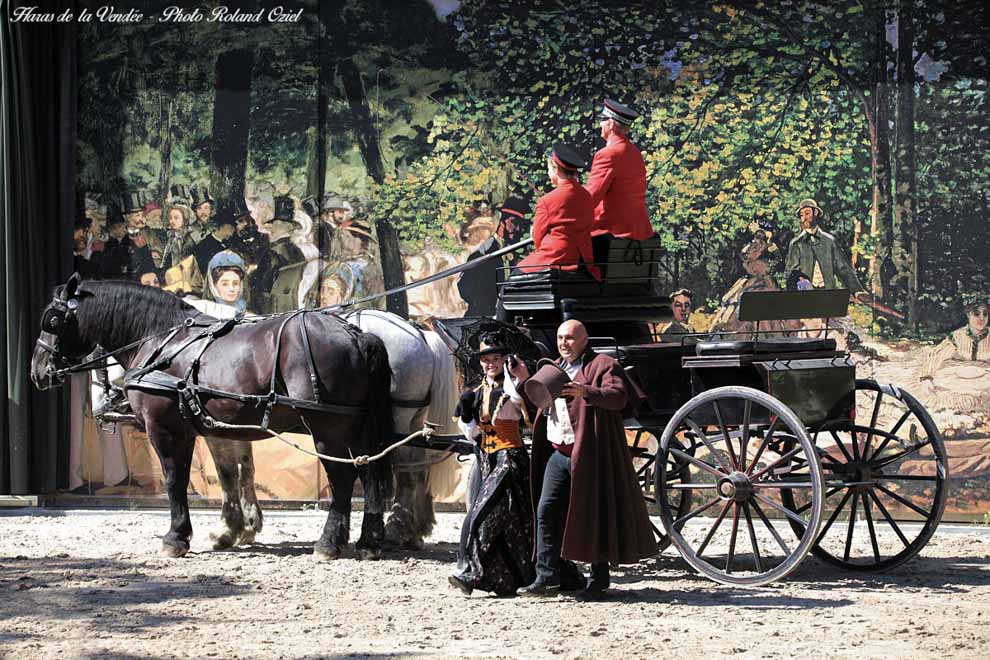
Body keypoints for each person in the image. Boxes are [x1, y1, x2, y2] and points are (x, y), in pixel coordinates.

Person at [512, 319, 657, 600]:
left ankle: (599, 580)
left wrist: (585, 392)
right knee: (546, 511)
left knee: (593, 513)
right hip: (558, 453)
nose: (564, 344)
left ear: (584, 340)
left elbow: (618, 397)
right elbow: (537, 403)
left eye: (570, 338)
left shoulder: (602, 365)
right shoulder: (553, 368)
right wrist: (521, 379)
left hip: (590, 454)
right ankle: (545, 577)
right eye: (560, 338)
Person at [448, 334, 535, 597]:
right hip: (486, 460)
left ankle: (471, 573)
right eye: (485, 360)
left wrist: (519, 378)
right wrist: (466, 414)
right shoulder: (476, 393)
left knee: (483, 514)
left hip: (509, 459)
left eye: (495, 359)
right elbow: (472, 435)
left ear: (504, 361)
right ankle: (508, 579)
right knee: (508, 522)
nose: (490, 364)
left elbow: (525, 414)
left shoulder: (512, 389)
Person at [514, 144, 599, 279]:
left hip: (555, 259)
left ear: (555, 169)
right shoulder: (587, 196)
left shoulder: (547, 200)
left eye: (548, 169)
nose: (548, 174)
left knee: (512, 278)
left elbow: (537, 239)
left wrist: (534, 231)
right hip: (582, 261)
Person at [585, 99, 653, 259]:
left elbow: (590, 199)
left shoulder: (608, 154)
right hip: (640, 233)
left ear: (611, 124)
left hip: (613, 234)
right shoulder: (635, 153)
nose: (600, 124)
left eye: (602, 120)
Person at [458, 196, 532, 317]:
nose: (518, 229)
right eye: (514, 222)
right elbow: (465, 288)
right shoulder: (484, 254)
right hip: (483, 317)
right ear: (502, 221)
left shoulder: (516, 253)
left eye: (522, 224)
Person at [785, 198, 867, 298]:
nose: (804, 218)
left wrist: (857, 291)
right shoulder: (796, 244)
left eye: (807, 213)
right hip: (805, 297)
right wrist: (802, 282)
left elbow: (843, 268)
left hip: (828, 294)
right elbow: (790, 272)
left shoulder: (830, 241)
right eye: (801, 215)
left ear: (815, 213)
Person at [920, 294, 990, 383]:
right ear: (968, 314)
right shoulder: (957, 336)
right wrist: (926, 377)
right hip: (958, 380)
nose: (982, 318)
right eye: (976, 314)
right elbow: (935, 356)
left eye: (985, 314)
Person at [191, 208, 237, 281]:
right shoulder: (203, 246)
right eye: (231, 228)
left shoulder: (229, 243)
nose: (233, 231)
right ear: (221, 226)